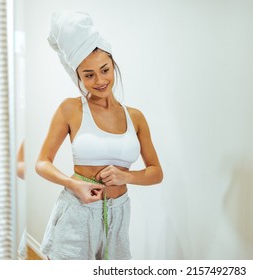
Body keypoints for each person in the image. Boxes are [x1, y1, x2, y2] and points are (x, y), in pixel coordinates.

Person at [35, 10, 163, 260]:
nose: (100, 80)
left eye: (105, 70)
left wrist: (125, 175)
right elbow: (41, 162)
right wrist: (74, 184)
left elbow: (156, 172)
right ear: (78, 76)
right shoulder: (71, 109)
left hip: (119, 215)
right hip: (77, 211)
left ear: (113, 65)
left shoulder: (135, 117)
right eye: (88, 75)